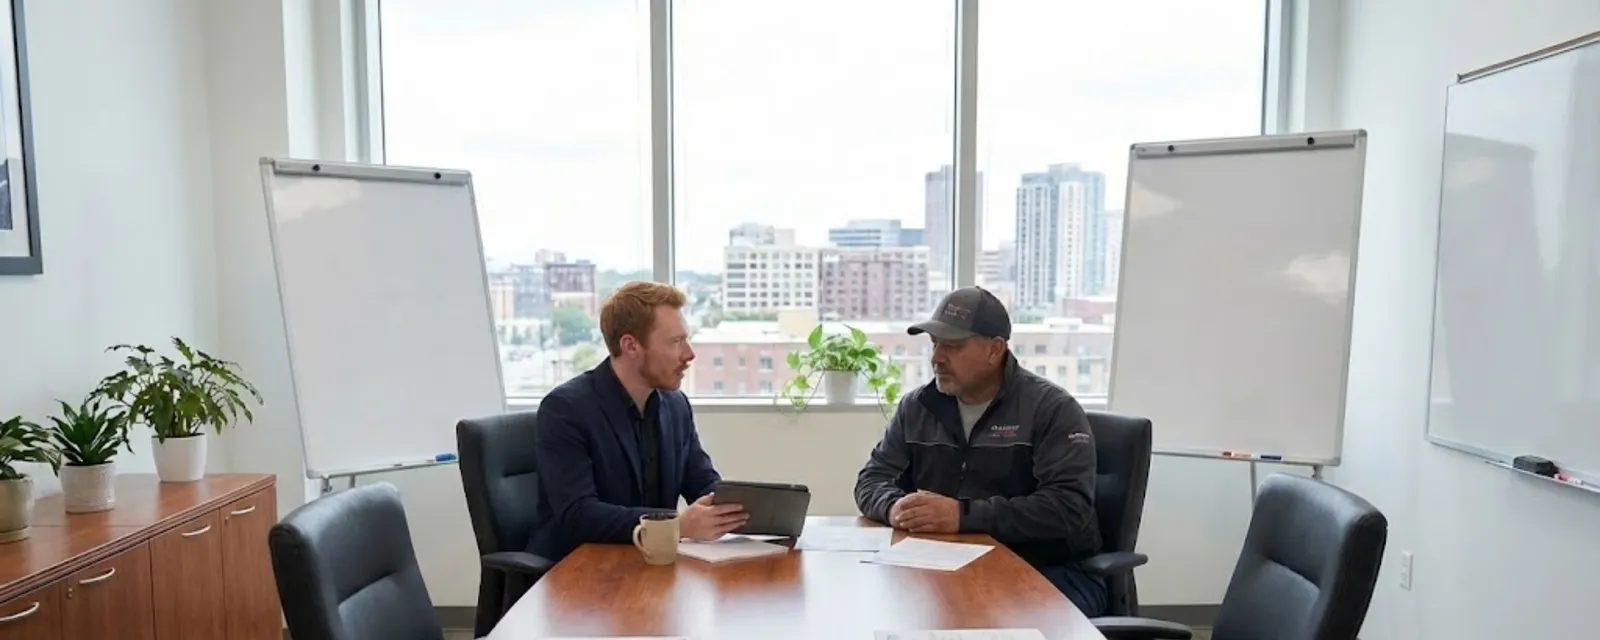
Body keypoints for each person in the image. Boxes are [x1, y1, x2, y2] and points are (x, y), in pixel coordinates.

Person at [853, 286, 1106, 615]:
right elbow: (871, 479)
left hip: (1050, 570)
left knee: (973, 618)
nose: (936, 357)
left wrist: (962, 515)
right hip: (946, 567)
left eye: (953, 346)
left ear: (994, 349)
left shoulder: (1050, 409)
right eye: (934, 343)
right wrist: (894, 508)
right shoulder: (918, 407)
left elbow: (1068, 507)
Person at [528, 281, 747, 561]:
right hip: (579, 572)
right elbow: (578, 514)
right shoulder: (565, 409)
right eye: (675, 342)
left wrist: (746, 511)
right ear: (631, 346)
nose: (689, 354)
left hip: (650, 565)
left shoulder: (675, 405)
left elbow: (701, 482)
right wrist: (677, 526)